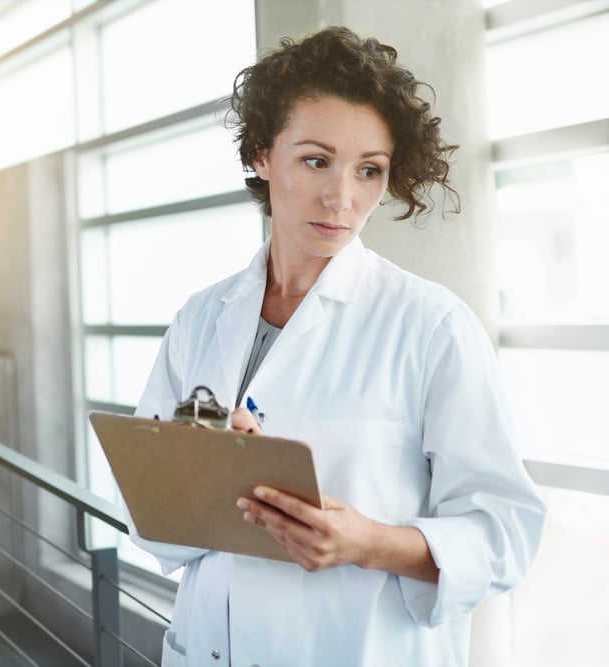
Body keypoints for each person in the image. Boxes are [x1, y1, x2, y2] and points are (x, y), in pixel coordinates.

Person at [129, 26, 546, 667]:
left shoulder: (432, 327)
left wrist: (365, 543)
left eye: (370, 170)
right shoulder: (200, 318)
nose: (342, 199)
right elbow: (150, 510)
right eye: (316, 160)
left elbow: (506, 535)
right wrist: (203, 478)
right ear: (262, 155)